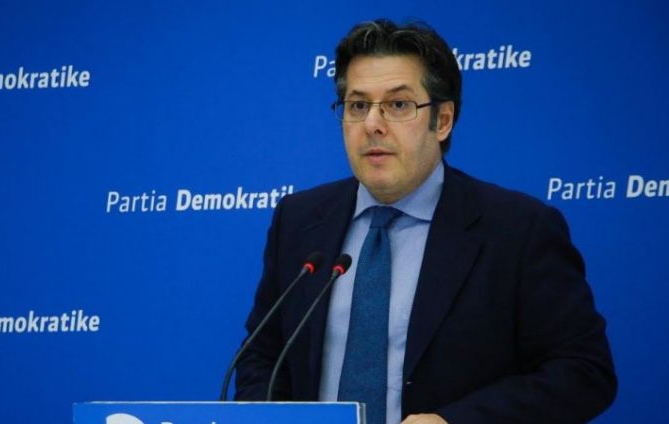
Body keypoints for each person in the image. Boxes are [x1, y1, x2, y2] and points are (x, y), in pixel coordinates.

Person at [234, 19, 617, 424]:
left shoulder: (518, 230)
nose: (372, 124)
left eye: (399, 105)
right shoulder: (299, 220)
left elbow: (582, 371)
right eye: (358, 106)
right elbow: (262, 356)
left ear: (443, 120)